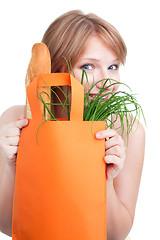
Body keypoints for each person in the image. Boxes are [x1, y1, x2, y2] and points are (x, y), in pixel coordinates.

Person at [0, 10, 145, 239]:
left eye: (113, 66)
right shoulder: (19, 121)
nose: (106, 81)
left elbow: (116, 234)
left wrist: (105, 180)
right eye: (88, 66)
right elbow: (8, 227)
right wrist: (12, 167)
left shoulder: (128, 130)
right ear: (57, 70)